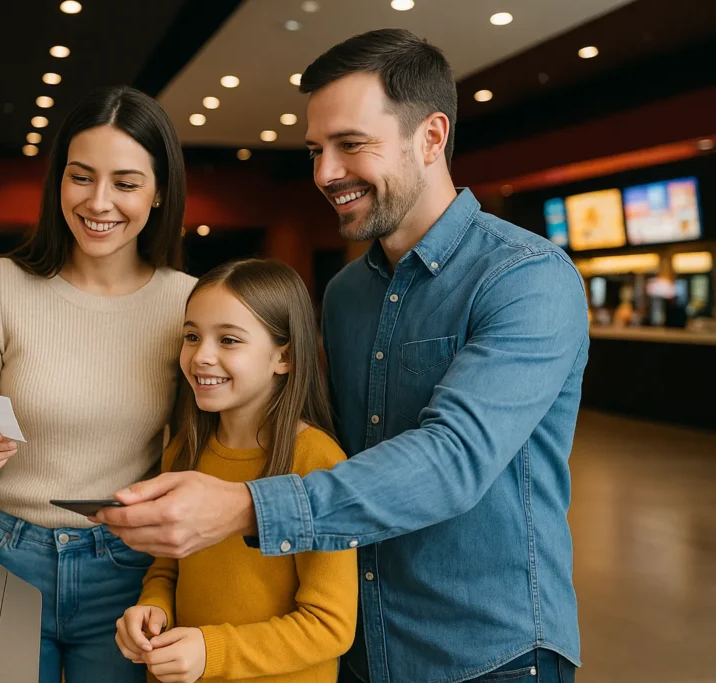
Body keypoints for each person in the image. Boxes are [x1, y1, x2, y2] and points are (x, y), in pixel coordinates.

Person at [95, 29, 588, 683]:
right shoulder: (346, 294)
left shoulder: (527, 277)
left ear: (432, 137)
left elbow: (453, 460)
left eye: (351, 145)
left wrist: (245, 505)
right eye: (316, 150)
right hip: (363, 648)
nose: (325, 174)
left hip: (487, 652)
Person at [0, 85, 197, 683]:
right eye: (81, 177)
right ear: (58, 182)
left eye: (126, 183)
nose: (99, 202)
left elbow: (202, 447)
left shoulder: (185, 303)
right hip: (5, 553)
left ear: (159, 194)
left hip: (126, 565)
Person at [114, 259, 357, 683]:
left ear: (283, 357)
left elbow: (330, 625)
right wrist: (154, 609)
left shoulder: (318, 462)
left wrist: (213, 651)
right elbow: (167, 567)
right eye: (192, 336)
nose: (202, 356)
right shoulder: (184, 451)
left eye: (228, 339)